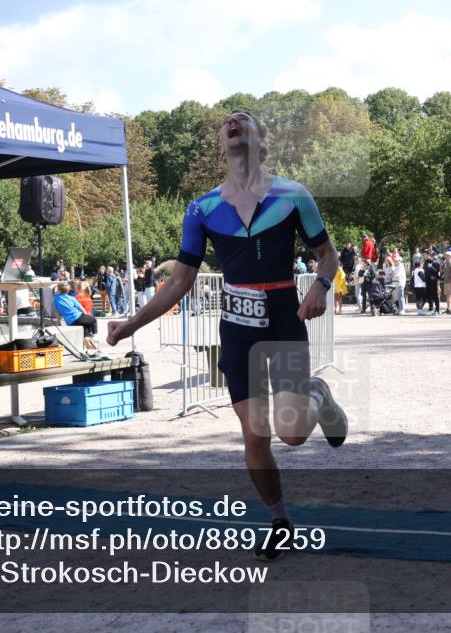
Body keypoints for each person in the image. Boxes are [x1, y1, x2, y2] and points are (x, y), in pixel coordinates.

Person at [106, 110, 348, 563]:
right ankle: (280, 522)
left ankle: (319, 392)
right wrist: (131, 324)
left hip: (283, 319)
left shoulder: (293, 196)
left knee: (292, 434)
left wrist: (319, 284)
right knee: (255, 437)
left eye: (245, 119)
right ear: (223, 143)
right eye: (227, 122)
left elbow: (328, 256)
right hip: (237, 329)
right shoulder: (202, 209)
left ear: (260, 140)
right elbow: (178, 283)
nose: (233, 121)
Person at [53, 281, 99, 352]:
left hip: (70, 322)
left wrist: (58, 321)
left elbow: (56, 311)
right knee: (93, 320)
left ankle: (90, 350)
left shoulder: (56, 299)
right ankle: (95, 335)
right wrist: (86, 315)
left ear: (59, 290)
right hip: (78, 316)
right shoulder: (71, 298)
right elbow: (81, 308)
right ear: (68, 290)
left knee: (86, 328)